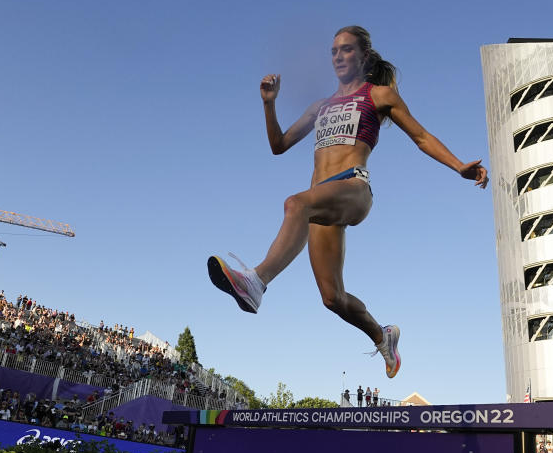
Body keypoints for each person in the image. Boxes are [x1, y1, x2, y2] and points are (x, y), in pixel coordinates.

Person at [208, 26, 487, 378]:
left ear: (364, 56)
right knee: (332, 298)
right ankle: (383, 337)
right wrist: (269, 104)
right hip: (321, 200)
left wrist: (458, 165)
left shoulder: (380, 95)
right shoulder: (320, 106)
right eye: (334, 51)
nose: (339, 57)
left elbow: (420, 137)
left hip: (353, 186)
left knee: (295, 204)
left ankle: (256, 282)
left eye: (347, 50)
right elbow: (278, 145)